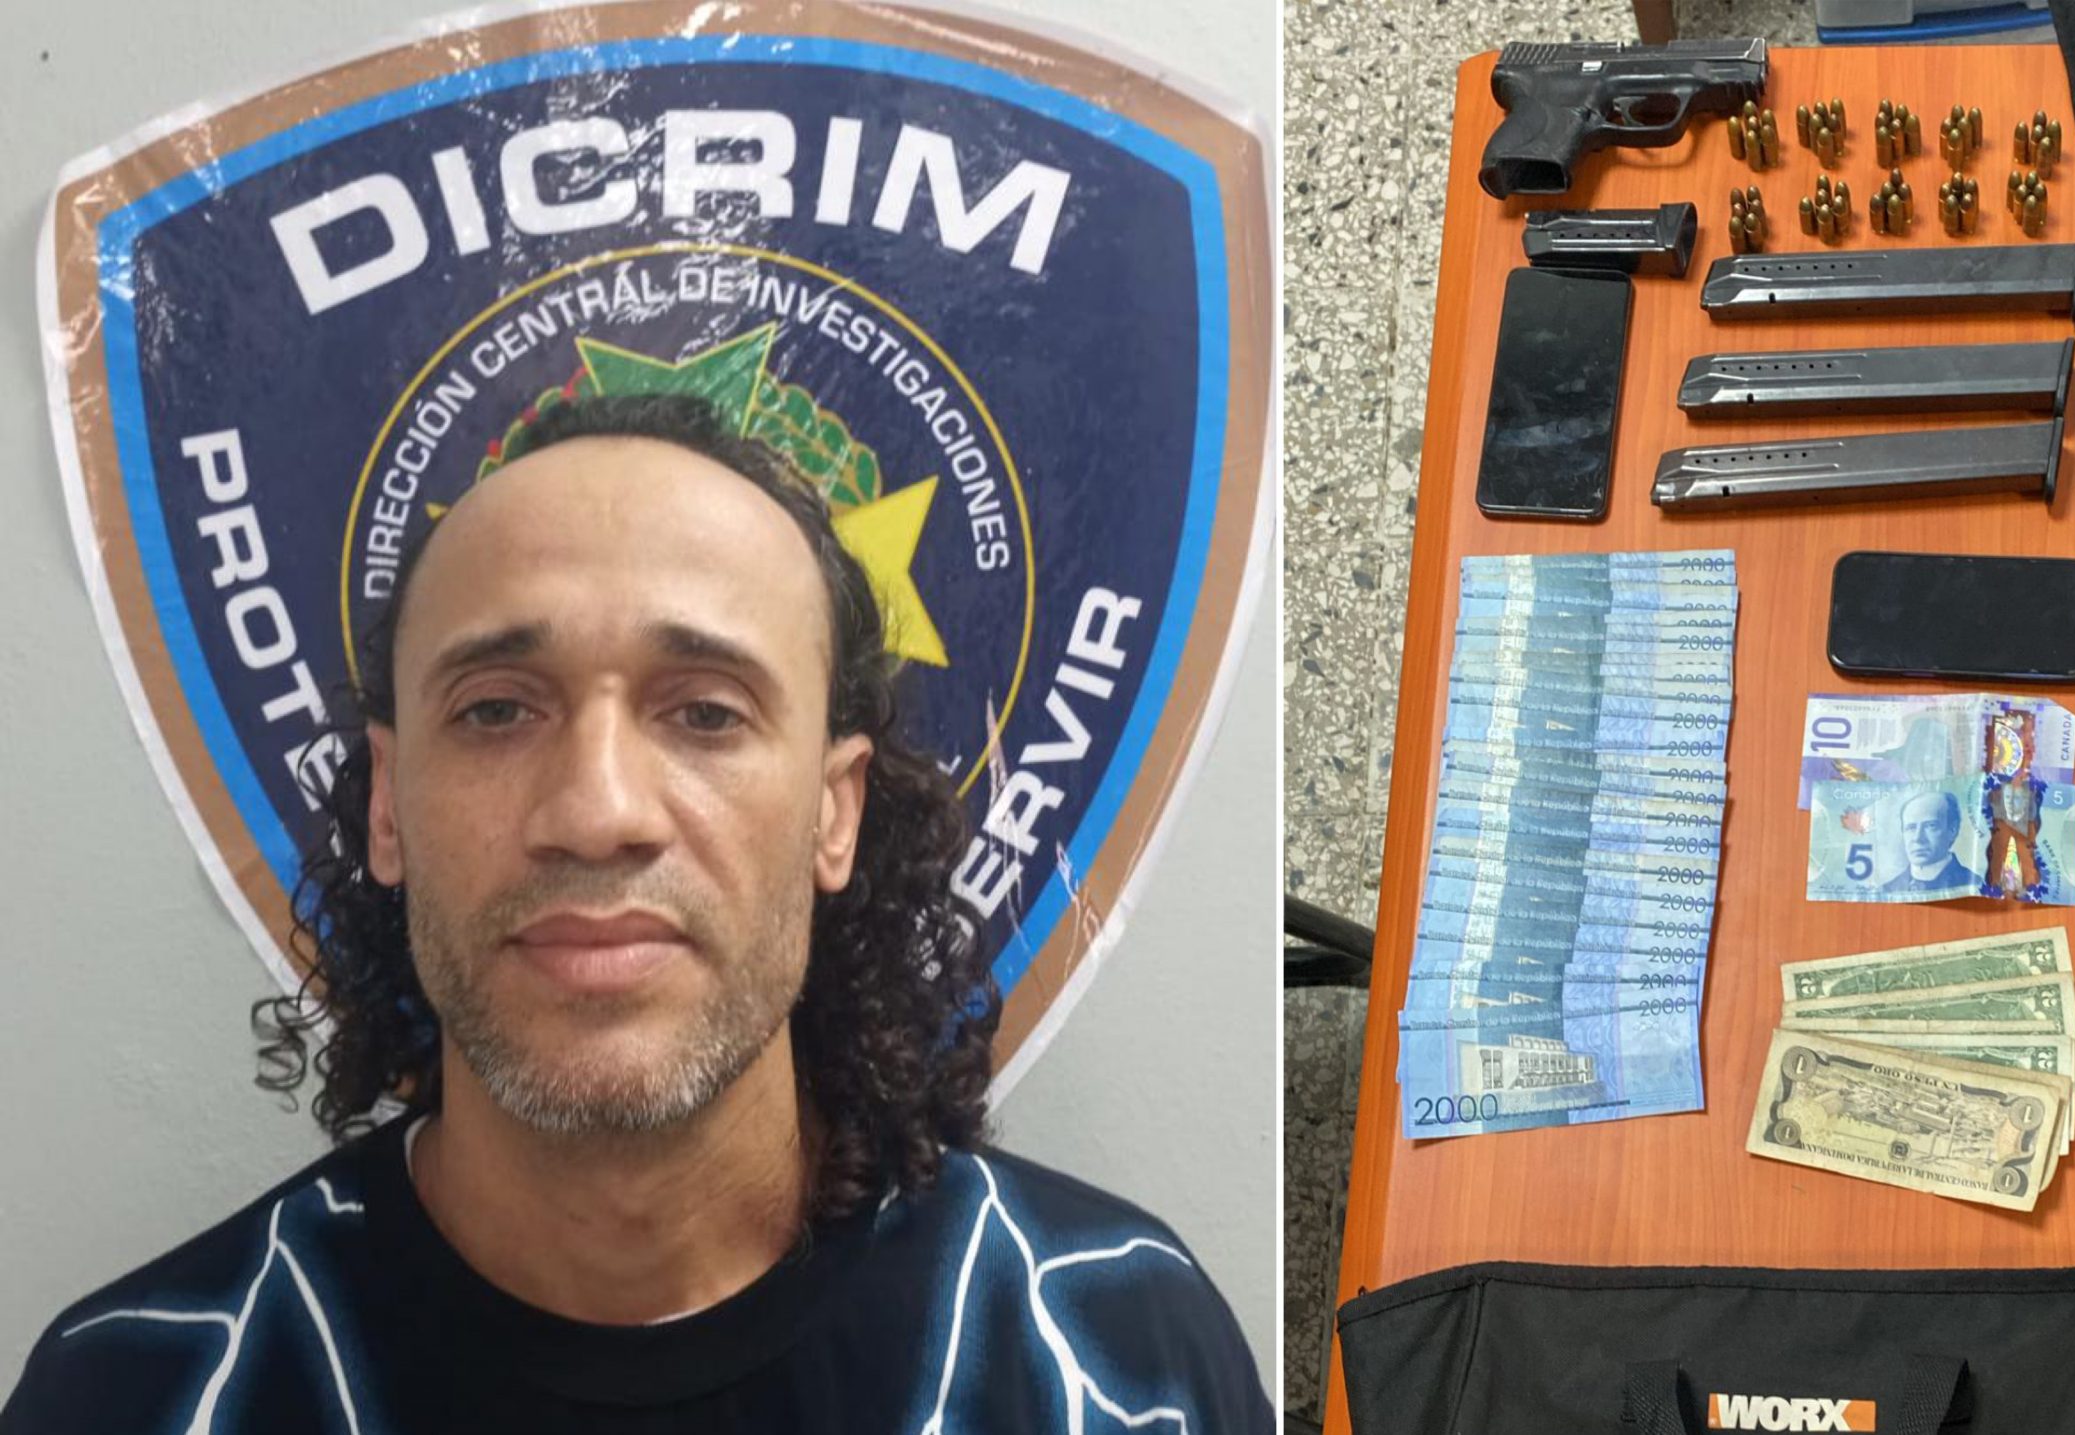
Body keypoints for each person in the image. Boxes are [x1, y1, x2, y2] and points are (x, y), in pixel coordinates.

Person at [0, 395, 1267, 1433]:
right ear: (387, 804)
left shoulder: (1123, 1359)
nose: (597, 810)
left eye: (705, 711)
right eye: (497, 709)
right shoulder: (136, 1391)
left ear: (835, 814)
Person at [1879, 789, 1980, 896]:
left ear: (1952, 830)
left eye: (1931, 826)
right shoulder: (1886, 890)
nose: (1918, 838)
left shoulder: (1975, 885)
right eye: (1911, 828)